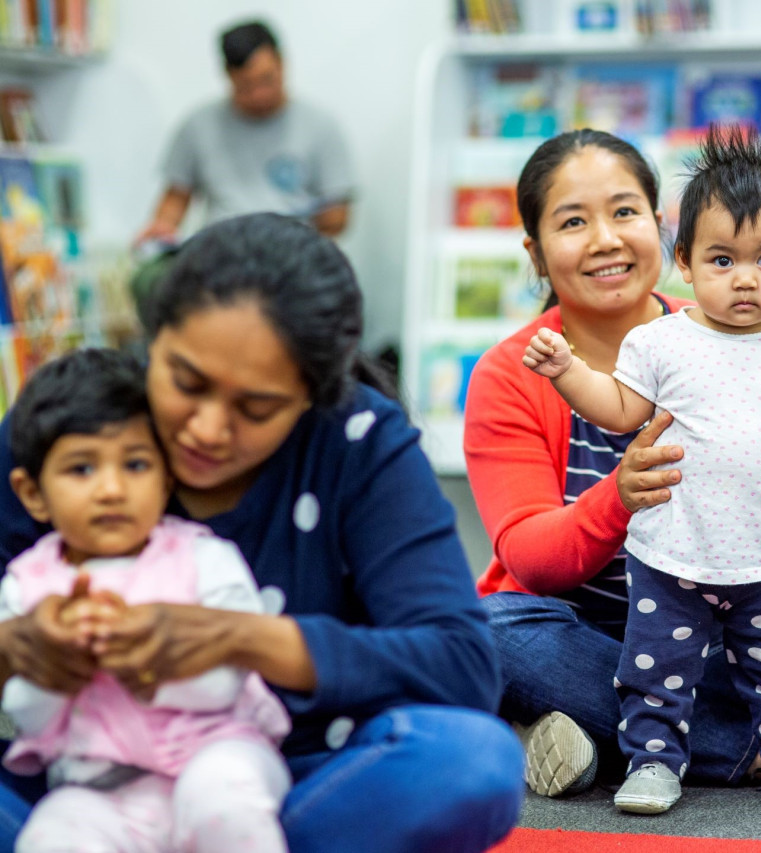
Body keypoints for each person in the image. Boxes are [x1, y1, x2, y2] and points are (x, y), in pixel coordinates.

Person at [0, 214, 525, 852]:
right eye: (185, 383)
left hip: (300, 780)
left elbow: (462, 667)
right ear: (152, 341)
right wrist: (19, 646)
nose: (207, 429)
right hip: (77, 791)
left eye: (256, 409)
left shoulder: (357, 441)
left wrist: (239, 638)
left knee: (471, 762)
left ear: (312, 398)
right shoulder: (66, 431)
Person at [465, 128, 761, 806]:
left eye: (624, 211)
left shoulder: (751, 330)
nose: (605, 239)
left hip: (728, 622)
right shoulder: (519, 371)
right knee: (488, 632)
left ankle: (625, 740)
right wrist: (621, 494)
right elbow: (532, 562)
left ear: (661, 230)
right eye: (573, 222)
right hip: (581, 631)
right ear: (535, 250)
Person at [2, 348, 292, 852]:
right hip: (98, 788)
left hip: (221, 754)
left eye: (136, 465)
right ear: (32, 494)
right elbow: (28, 717)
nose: (112, 489)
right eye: (81, 469)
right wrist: (58, 664)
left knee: (221, 804)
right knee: (50, 837)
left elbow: (229, 681)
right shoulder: (26, 586)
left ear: (167, 479)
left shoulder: (203, 556)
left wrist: (150, 664)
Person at [135, 20, 355, 245]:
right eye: (246, 86)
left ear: (282, 64)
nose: (259, 95)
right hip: (221, 249)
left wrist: (308, 229)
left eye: (266, 80)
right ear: (228, 76)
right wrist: (162, 228)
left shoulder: (321, 126)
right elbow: (176, 198)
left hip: (293, 251)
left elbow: (338, 213)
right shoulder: (198, 125)